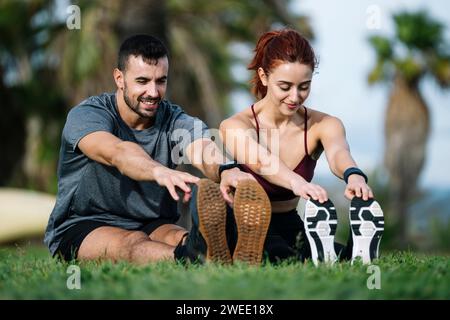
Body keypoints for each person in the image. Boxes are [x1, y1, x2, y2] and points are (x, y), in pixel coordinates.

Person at [44, 34, 261, 264]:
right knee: (131, 242)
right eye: (142, 81)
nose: (154, 92)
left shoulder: (173, 118)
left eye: (161, 81)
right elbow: (118, 152)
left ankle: (209, 247)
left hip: (152, 222)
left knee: (179, 236)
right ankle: (192, 258)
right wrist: (159, 171)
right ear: (119, 78)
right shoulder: (87, 115)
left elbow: (202, 146)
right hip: (84, 225)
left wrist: (227, 169)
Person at [219, 29, 385, 265]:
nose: (295, 97)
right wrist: (298, 182)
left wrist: (354, 175)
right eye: (285, 87)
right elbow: (261, 160)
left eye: (304, 86)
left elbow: (339, 152)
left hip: (290, 221)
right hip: (246, 225)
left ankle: (356, 251)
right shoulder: (235, 125)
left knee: (331, 257)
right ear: (264, 77)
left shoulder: (324, 124)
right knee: (280, 255)